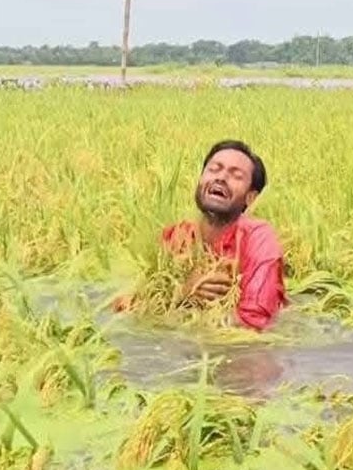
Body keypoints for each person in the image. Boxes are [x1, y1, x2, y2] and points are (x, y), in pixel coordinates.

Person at [115, 139, 287, 331]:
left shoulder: (258, 239)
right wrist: (183, 294)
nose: (221, 177)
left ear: (250, 198)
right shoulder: (177, 236)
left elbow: (255, 324)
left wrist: (183, 315)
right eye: (214, 169)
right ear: (200, 180)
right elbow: (125, 306)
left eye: (236, 175)